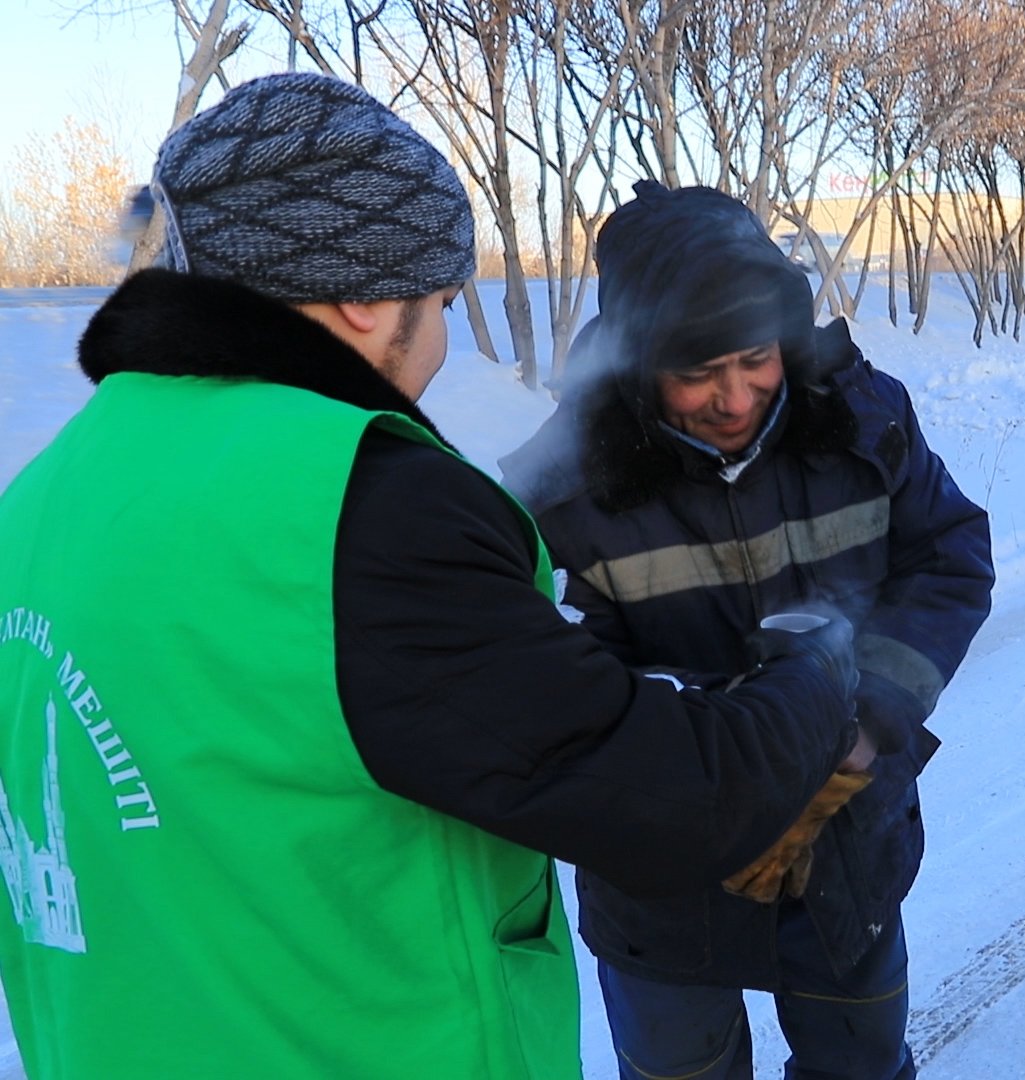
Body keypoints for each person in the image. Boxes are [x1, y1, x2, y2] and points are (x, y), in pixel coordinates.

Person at [0, 73, 866, 1079]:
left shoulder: (45, 496)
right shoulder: (362, 500)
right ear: (368, 296)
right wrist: (817, 674)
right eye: (443, 300)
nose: (445, 341)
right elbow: (679, 800)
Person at [500, 181, 992, 1080]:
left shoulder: (861, 422)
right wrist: (735, 760)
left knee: (861, 1065)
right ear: (636, 361)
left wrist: (870, 720)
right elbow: (552, 690)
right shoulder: (559, 491)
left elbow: (947, 555)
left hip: (845, 845)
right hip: (660, 875)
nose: (735, 397)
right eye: (696, 373)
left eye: (755, 359)